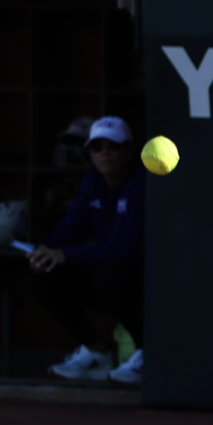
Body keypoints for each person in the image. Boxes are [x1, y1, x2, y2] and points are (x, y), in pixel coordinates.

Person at [27, 116, 145, 384]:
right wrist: (45, 250)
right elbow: (71, 228)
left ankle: (148, 351)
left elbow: (127, 249)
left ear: (129, 150)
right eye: (97, 147)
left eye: (113, 147)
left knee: (112, 275)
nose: (104, 154)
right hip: (108, 270)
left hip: (144, 277)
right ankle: (96, 351)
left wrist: (66, 254)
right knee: (44, 274)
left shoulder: (142, 182)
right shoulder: (92, 181)